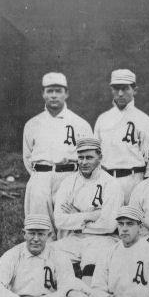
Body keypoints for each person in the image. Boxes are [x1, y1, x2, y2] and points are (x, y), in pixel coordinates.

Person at [23, 72, 92, 228]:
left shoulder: (80, 124)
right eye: (50, 91)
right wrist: (39, 176)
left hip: (69, 178)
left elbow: (90, 156)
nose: (54, 95)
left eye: (58, 91)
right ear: (43, 93)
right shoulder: (33, 124)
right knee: (40, 227)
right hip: (40, 179)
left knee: (67, 228)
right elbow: (27, 157)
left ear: (66, 93)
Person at [53, 137, 124, 285]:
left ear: (100, 157)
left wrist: (76, 218)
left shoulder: (111, 184)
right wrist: (93, 215)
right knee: (48, 254)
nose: (84, 162)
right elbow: (59, 220)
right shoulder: (68, 182)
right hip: (75, 238)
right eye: (81, 157)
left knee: (90, 273)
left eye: (89, 157)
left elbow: (109, 225)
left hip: (103, 239)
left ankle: (88, 295)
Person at [94, 69, 149, 201]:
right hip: (106, 179)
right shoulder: (103, 119)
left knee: (132, 214)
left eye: (125, 88)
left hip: (133, 179)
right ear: (111, 90)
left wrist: (146, 184)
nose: (120, 93)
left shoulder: (144, 120)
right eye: (116, 88)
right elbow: (95, 154)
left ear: (134, 90)